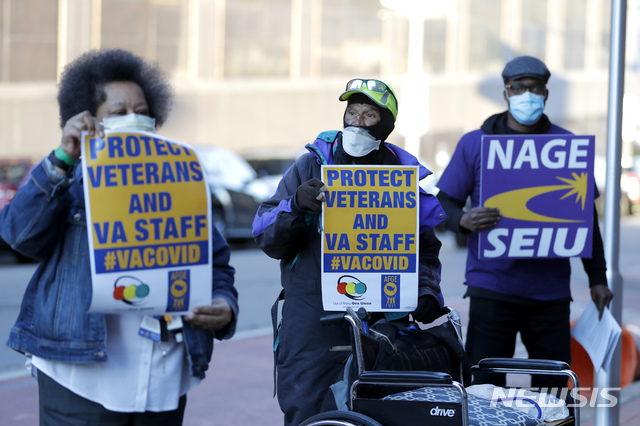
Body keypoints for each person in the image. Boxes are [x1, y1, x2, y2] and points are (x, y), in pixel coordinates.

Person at [0, 49, 239, 425]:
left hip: (163, 377)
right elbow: (19, 234)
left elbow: (216, 263)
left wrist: (223, 305)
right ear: (88, 119)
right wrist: (63, 158)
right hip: (82, 377)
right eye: (119, 112)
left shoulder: (182, 181)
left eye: (142, 111)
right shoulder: (71, 180)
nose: (134, 119)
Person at [252, 78, 446, 425]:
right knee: (311, 415)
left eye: (369, 115)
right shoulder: (309, 167)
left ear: (386, 125)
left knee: (379, 413)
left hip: (383, 327)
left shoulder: (402, 177)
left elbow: (427, 250)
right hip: (314, 326)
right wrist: (297, 207)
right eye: (352, 112)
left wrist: (426, 290)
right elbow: (265, 235)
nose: (357, 122)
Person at [436, 55, 613, 390]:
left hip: (550, 294)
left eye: (534, 88)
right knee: (483, 388)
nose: (527, 95)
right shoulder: (475, 144)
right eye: (519, 88)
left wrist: (597, 278)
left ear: (545, 93)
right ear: (506, 92)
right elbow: (443, 202)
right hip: (492, 288)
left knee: (556, 390)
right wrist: (462, 219)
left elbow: (587, 219)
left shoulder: (567, 147)